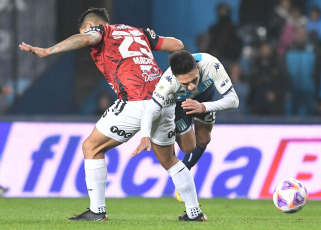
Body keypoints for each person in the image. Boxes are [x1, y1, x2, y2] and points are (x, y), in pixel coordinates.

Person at [19, 8, 207, 222]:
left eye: (83, 32)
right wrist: (148, 36)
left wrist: (48, 51)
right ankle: (194, 213)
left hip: (136, 100)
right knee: (169, 159)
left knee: (91, 147)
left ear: (88, 27)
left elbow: (87, 39)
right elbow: (178, 45)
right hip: (163, 97)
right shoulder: (137, 32)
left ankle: (97, 211)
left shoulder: (101, 31)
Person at [132, 50, 239, 202]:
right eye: (185, 83)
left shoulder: (211, 64)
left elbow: (233, 100)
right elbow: (151, 109)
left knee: (203, 139)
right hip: (180, 104)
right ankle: (175, 136)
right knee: (188, 147)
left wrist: (203, 107)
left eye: (194, 80)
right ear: (176, 77)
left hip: (205, 98)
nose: (191, 87)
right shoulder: (168, 81)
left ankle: (183, 172)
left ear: (198, 68)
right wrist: (145, 136)